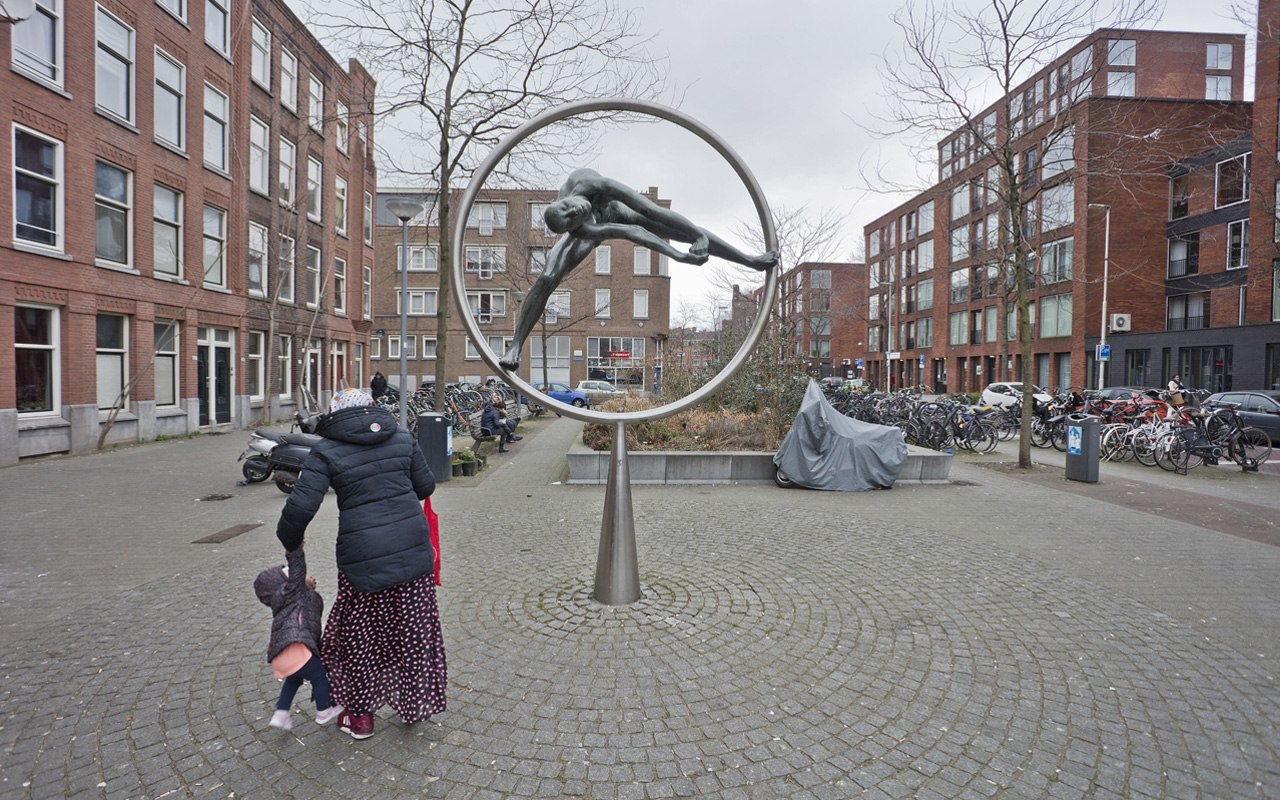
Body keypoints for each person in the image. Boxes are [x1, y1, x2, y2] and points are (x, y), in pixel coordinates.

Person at [276, 388, 445, 740]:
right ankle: (415, 707)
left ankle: (362, 718)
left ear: (335, 413)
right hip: (414, 552)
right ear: (372, 408)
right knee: (412, 631)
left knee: (361, 637)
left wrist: (291, 543)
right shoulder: (401, 436)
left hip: (361, 559)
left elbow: (300, 509)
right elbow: (425, 485)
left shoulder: (326, 449)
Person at [500, 168, 779, 369]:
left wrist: (697, 237)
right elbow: (632, 234)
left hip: (618, 210)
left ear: (562, 199)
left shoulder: (591, 182)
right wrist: (679, 257)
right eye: (572, 220)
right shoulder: (582, 228)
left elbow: (651, 213)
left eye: (571, 209)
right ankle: (515, 345)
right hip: (604, 226)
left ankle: (749, 260)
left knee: (679, 229)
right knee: (547, 277)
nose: (577, 212)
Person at [254, 544, 343, 731]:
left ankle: (281, 713)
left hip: (281, 656)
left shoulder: (285, 601)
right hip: (297, 649)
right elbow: (297, 566)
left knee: (293, 679)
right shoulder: (293, 593)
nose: (309, 576)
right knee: (319, 677)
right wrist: (294, 547)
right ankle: (324, 711)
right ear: (290, 584)